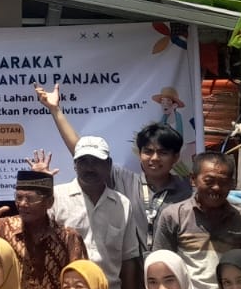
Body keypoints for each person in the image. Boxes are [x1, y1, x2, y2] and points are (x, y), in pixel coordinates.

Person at [36, 83, 193, 244]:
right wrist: (55, 110)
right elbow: (81, 151)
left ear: (176, 157)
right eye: (148, 151)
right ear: (139, 154)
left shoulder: (188, 191)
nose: (154, 158)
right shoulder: (126, 181)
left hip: (170, 268)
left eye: (163, 153)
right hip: (131, 266)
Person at [45, 137, 145, 289]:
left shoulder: (122, 204)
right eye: (83, 161)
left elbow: (128, 259)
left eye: (96, 161)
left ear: (108, 164)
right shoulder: (55, 198)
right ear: (75, 165)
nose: (90, 168)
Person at [152, 152, 241, 289]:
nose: (216, 188)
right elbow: (160, 264)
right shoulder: (173, 216)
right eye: (209, 181)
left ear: (231, 183)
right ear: (193, 179)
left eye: (223, 182)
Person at [0, 168, 86, 289]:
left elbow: (80, 282)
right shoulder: (1, 229)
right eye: (19, 198)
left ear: (49, 202)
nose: (23, 204)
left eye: (30, 199)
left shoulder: (68, 237)